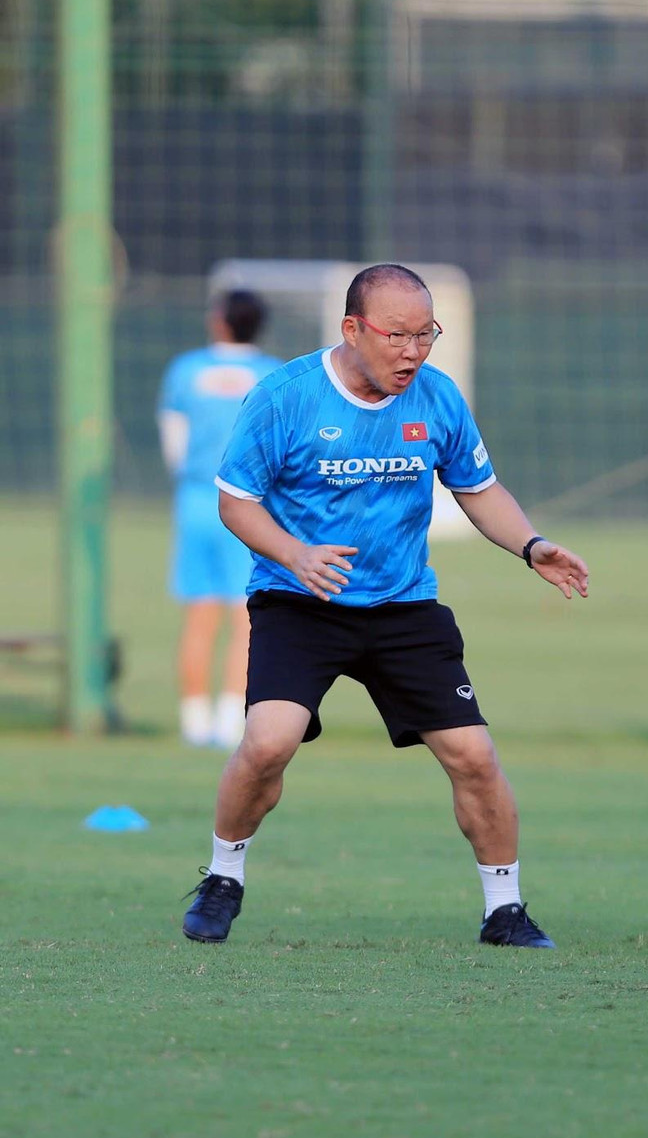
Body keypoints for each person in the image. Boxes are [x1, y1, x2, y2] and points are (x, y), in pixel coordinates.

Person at [181, 263, 588, 949]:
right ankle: (224, 878)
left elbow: (479, 488)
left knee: (474, 755)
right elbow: (235, 501)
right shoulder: (285, 397)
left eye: (425, 334)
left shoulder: (437, 398)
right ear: (352, 329)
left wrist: (531, 544)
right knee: (268, 742)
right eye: (396, 335)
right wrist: (295, 554)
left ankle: (505, 910)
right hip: (299, 600)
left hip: (403, 607)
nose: (413, 351)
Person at [158, 290, 280, 748]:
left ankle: (194, 723)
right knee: (246, 617)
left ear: (219, 321)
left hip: (196, 500)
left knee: (199, 615)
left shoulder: (186, 370)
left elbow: (174, 443)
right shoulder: (273, 374)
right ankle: (230, 723)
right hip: (251, 506)